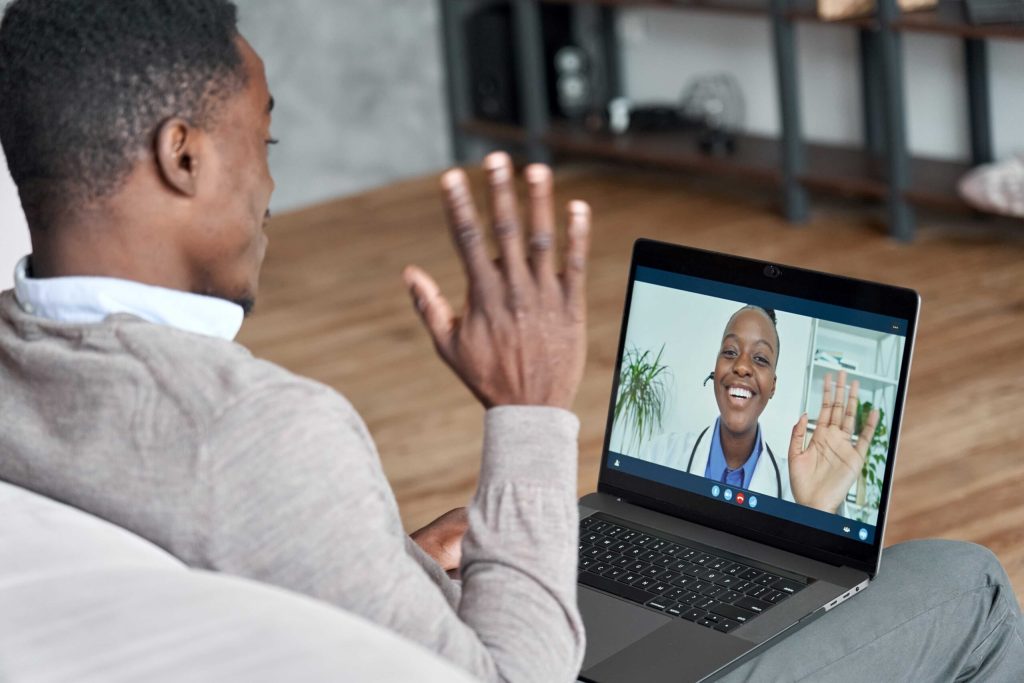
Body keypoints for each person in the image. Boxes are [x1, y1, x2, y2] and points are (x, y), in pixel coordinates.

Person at [0, 2, 1021, 681]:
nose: (269, 183)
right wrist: (528, 409)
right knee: (959, 576)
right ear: (182, 154)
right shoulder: (260, 433)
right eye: (260, 142)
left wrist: (388, 562)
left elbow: (234, 578)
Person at [641, 305, 878, 515]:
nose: (742, 366)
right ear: (715, 368)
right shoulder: (659, 454)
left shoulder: (796, 486)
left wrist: (818, 513)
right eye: (730, 352)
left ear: (772, 386)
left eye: (761, 359)